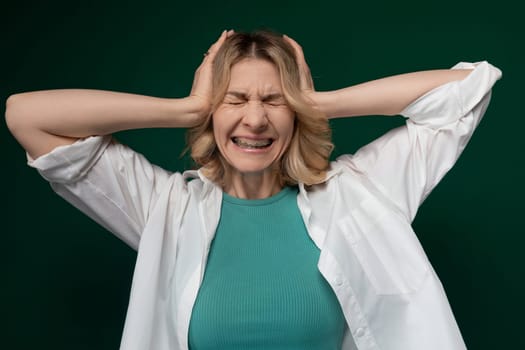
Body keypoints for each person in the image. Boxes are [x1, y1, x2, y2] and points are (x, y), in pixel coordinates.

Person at [5, 30, 501, 350]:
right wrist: (186, 108)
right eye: (235, 100)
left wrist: (316, 101)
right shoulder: (165, 207)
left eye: (275, 100)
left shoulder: (359, 194)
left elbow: (467, 92)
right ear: (211, 114)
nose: (256, 118)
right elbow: (26, 116)